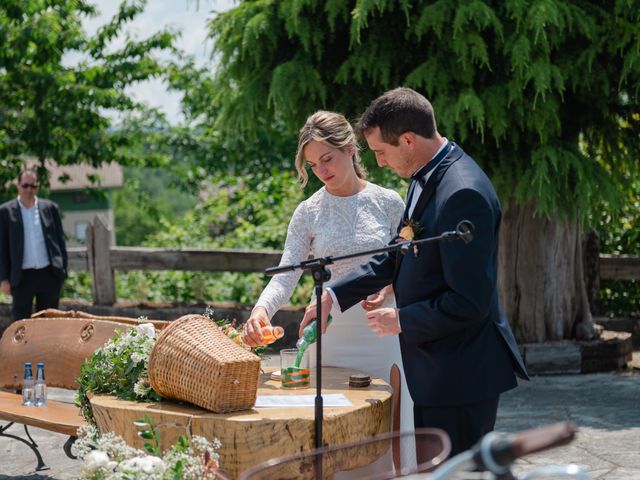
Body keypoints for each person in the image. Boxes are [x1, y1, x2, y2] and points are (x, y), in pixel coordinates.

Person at [301, 88, 529, 457]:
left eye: (381, 152)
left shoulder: (461, 193)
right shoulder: (427, 178)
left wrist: (403, 319)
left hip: (460, 377)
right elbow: (396, 255)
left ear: (407, 140)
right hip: (435, 373)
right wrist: (334, 295)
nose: (379, 163)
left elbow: (470, 301)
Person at [241, 110, 415, 472]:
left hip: (380, 331)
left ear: (351, 149)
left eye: (327, 158)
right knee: (332, 447)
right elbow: (287, 273)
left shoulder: (389, 201)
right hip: (327, 336)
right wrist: (261, 310)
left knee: (387, 443)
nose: (321, 170)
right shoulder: (308, 211)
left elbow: (407, 266)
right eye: (312, 164)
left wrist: (387, 289)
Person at [0, 169, 68, 321]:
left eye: (33, 186)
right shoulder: (5, 211)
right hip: (21, 276)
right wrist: (3, 279)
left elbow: (60, 241)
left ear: (38, 187)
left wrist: (62, 270)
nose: (29, 190)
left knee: (49, 321)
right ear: (18, 185)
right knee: (21, 323)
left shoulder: (50, 208)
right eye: (25, 185)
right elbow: (2, 248)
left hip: (49, 274)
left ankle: (48, 346)